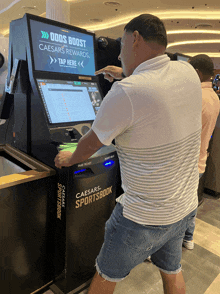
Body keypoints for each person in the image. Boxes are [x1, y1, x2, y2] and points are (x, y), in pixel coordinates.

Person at [54, 14, 202, 294]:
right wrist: (127, 74)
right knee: (172, 271)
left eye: (122, 43)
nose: (120, 53)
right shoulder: (188, 72)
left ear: (135, 39)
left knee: (105, 275)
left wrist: (69, 157)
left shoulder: (127, 92)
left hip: (142, 217)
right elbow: (157, 83)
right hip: (182, 206)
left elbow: (91, 144)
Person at [183, 54, 220, 250]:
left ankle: (160, 247)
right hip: (200, 159)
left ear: (196, 73)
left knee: (175, 207)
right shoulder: (214, 96)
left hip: (185, 163)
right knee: (190, 203)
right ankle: (188, 237)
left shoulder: (195, 97)